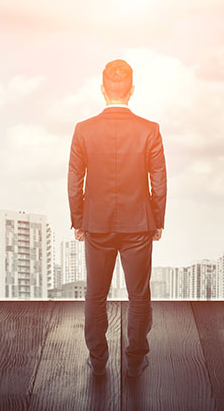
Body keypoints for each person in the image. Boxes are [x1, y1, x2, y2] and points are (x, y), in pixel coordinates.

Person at [68, 59, 167, 379]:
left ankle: (98, 360)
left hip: (96, 224)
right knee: (139, 294)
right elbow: (159, 180)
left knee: (95, 294)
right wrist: (157, 219)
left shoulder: (83, 129)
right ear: (132, 90)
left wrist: (78, 220)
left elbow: (74, 180)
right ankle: (136, 358)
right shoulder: (150, 129)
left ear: (102, 89)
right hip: (139, 223)